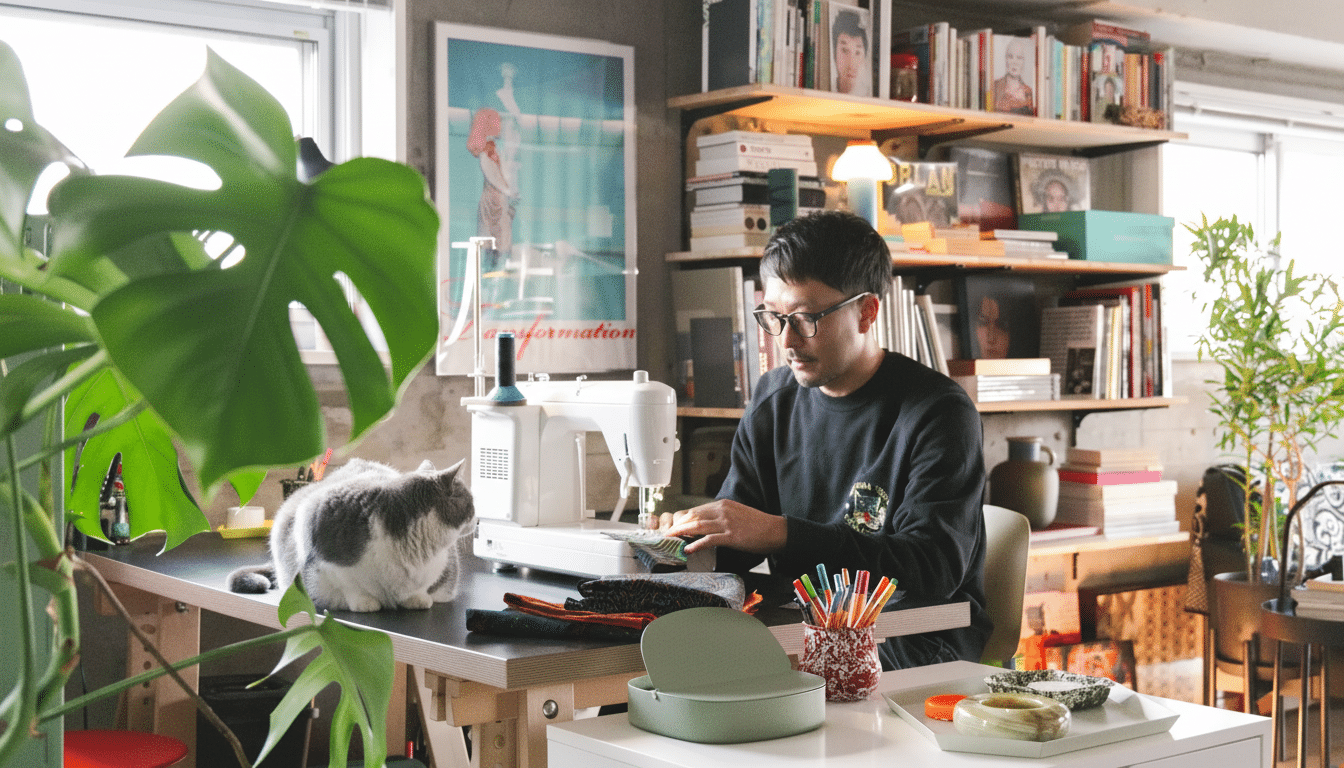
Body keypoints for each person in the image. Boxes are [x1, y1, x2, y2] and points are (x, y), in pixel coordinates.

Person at [658, 210, 992, 669]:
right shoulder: (773, 399)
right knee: (661, 665)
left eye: (805, 318)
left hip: (914, 637)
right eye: (774, 317)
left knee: (731, 683)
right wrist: (688, 540)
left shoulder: (938, 413)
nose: (786, 340)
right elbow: (740, 536)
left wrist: (782, 533)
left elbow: (932, 569)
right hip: (804, 625)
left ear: (867, 312)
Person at [831, 8, 870, 96]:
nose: (851, 64)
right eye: (844, 50)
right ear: (834, 52)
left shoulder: (868, 96)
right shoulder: (825, 90)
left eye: (857, 53)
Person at [991, 36, 1034, 116]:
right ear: (1006, 59)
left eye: (1019, 58)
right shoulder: (994, 87)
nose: (1015, 62)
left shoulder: (1029, 93)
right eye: (1010, 56)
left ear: (1024, 61)